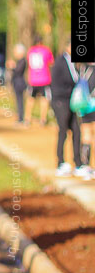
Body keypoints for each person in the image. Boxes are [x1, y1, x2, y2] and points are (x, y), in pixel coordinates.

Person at [51, 40, 88, 178]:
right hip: (61, 100)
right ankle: (60, 162)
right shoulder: (60, 62)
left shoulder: (73, 63)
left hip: (71, 101)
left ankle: (78, 162)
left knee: (76, 130)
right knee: (63, 131)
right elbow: (58, 82)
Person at [26, 38, 53, 127]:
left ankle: (27, 118)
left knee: (30, 99)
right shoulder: (46, 50)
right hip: (44, 79)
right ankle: (43, 119)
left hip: (33, 79)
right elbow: (51, 62)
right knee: (44, 100)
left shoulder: (30, 51)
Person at [7, 43, 28, 125]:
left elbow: (18, 71)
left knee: (20, 101)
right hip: (16, 83)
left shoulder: (22, 61)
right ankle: (19, 116)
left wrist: (12, 67)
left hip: (20, 83)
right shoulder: (19, 61)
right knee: (18, 101)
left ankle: (21, 117)